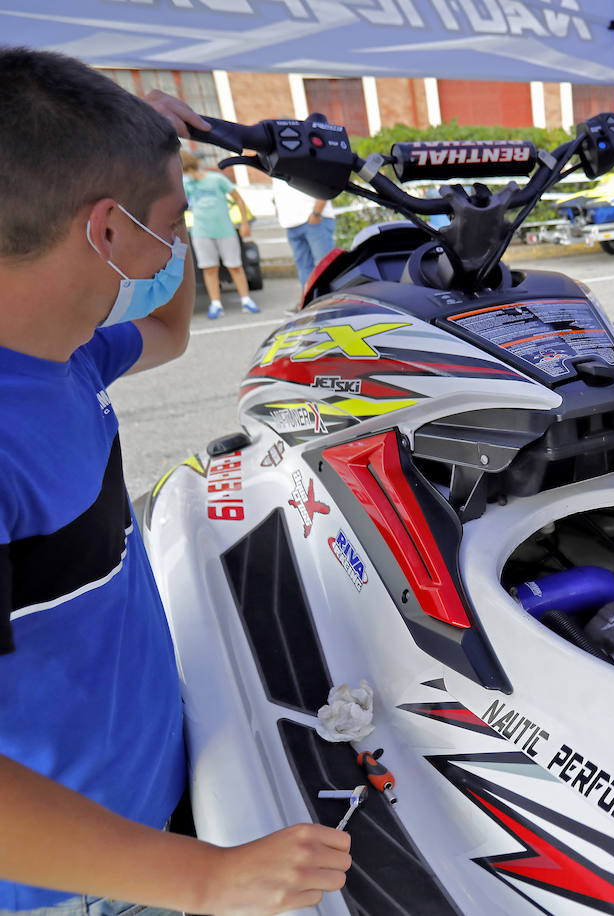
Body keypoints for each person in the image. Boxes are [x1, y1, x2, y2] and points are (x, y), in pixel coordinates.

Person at [0, 48, 350, 915]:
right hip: (78, 887)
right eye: (170, 220)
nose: (179, 237)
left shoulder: (63, 352)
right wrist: (206, 879)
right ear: (108, 231)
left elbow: (166, 325)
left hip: (151, 803)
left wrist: (166, 162)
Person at [181, 149, 259, 319]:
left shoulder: (216, 180)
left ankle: (246, 300)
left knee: (235, 266)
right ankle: (216, 304)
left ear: (191, 169)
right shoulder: (187, 185)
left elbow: (238, 198)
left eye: (186, 172)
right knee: (209, 268)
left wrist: (244, 223)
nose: (186, 176)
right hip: (201, 232)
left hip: (225, 229)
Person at [273, 177, 337, 290]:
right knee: (304, 269)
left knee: (327, 266)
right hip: (292, 224)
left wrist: (317, 213)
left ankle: (336, 302)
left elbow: (325, 184)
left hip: (314, 220)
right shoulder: (277, 162)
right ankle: (309, 302)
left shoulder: (302, 159)